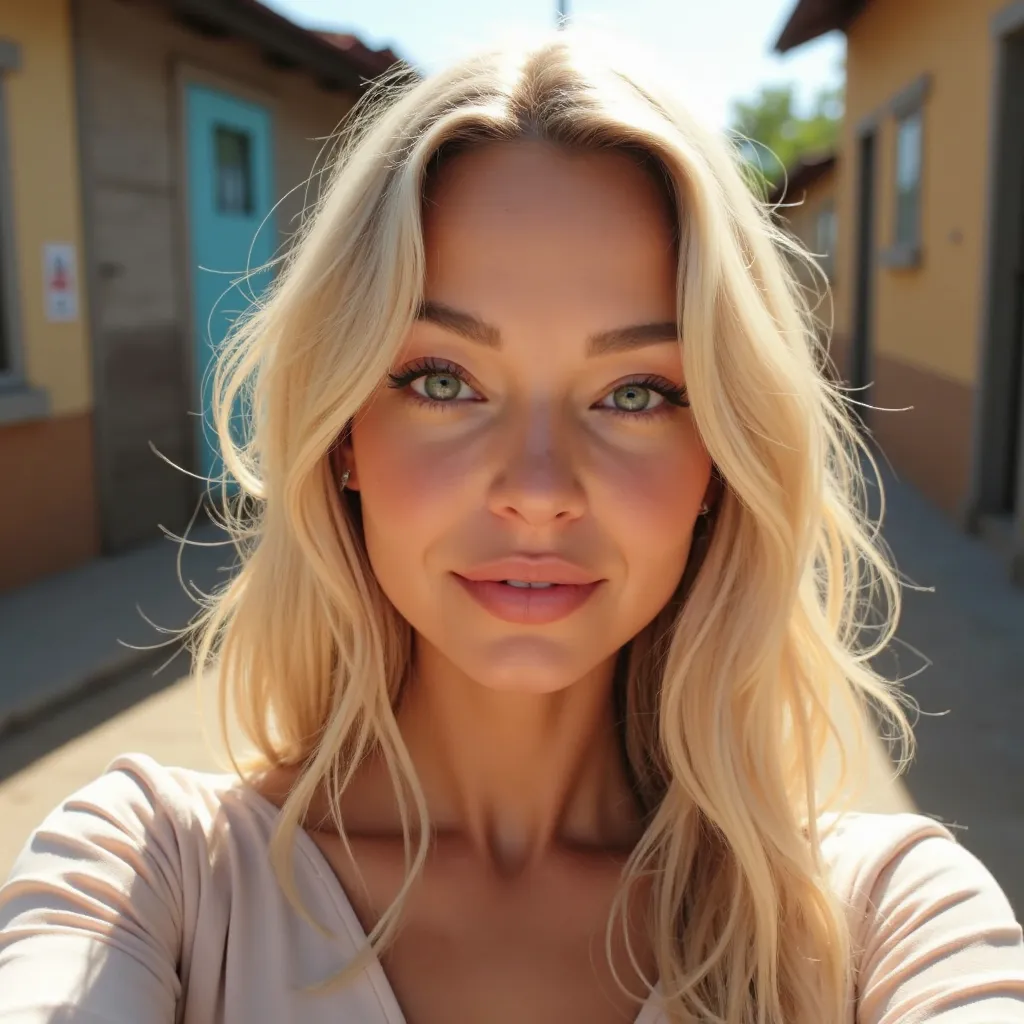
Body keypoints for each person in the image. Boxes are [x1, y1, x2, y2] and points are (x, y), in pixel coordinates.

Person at [1, 30, 1022, 1024]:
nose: (537, 489)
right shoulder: (145, 876)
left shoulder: (885, 917)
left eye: (635, 392)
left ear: (721, 457)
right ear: (342, 432)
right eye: (444, 380)